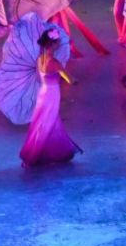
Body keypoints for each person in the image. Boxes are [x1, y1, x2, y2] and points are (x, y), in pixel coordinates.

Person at [19, 29, 81, 167]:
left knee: (41, 122)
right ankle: (35, 155)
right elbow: (69, 80)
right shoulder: (54, 62)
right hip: (52, 94)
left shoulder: (40, 59)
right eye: (57, 42)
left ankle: (42, 152)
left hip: (43, 93)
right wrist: (75, 80)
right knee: (48, 123)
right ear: (52, 44)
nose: (59, 44)